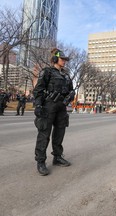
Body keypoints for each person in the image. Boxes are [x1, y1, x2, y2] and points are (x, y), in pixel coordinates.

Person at [33, 48, 75, 176]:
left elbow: (71, 90)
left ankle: (57, 157)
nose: (65, 62)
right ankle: (41, 161)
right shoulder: (47, 72)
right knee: (44, 134)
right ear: (55, 59)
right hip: (49, 106)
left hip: (62, 107)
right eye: (63, 59)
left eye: (65, 60)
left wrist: (70, 96)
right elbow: (38, 89)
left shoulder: (66, 75)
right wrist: (38, 105)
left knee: (59, 133)